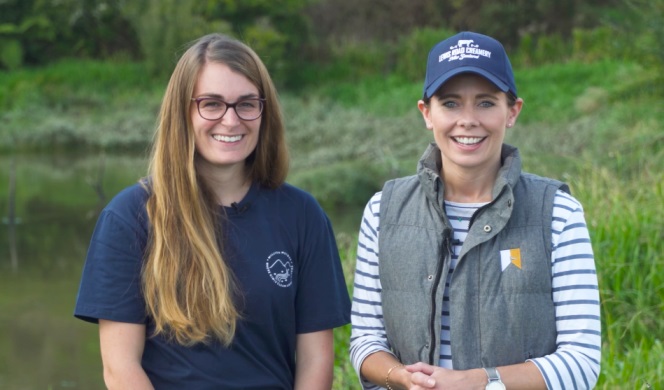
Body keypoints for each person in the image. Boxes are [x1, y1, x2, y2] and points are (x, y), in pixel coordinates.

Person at [74, 33, 351, 390]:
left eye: (247, 104)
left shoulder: (303, 216)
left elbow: (316, 360)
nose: (231, 120)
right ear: (182, 111)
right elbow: (120, 369)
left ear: (264, 111)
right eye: (212, 103)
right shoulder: (130, 217)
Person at [349, 31, 601, 390]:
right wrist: (401, 377)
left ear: (512, 111)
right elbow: (365, 342)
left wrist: (476, 382)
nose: (468, 120)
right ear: (426, 113)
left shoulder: (559, 213)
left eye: (485, 103)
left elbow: (581, 362)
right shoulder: (382, 212)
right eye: (450, 103)